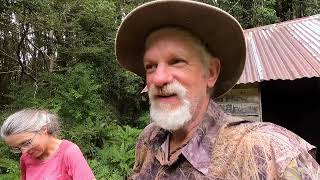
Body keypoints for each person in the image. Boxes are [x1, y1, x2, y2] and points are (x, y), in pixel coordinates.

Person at [115, 0, 320, 179]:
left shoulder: (269, 152)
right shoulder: (148, 141)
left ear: (211, 72)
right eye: (150, 66)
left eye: (176, 61)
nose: (158, 78)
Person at [0, 109, 96, 180]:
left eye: (26, 143)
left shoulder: (69, 152)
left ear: (43, 129)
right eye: (17, 148)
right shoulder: (25, 159)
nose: (24, 151)